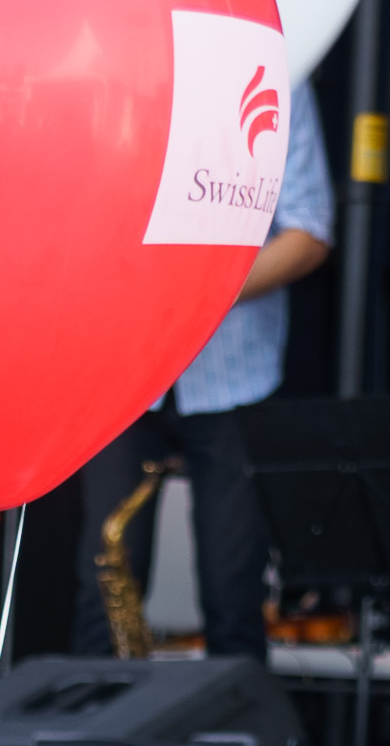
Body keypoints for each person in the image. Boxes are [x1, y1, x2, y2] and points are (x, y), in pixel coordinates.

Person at [71, 73, 333, 659]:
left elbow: (310, 229)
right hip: (123, 370)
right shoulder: (117, 61)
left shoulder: (281, 70)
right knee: (103, 591)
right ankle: (97, 744)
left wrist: (197, 295)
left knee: (233, 594)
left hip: (233, 375)